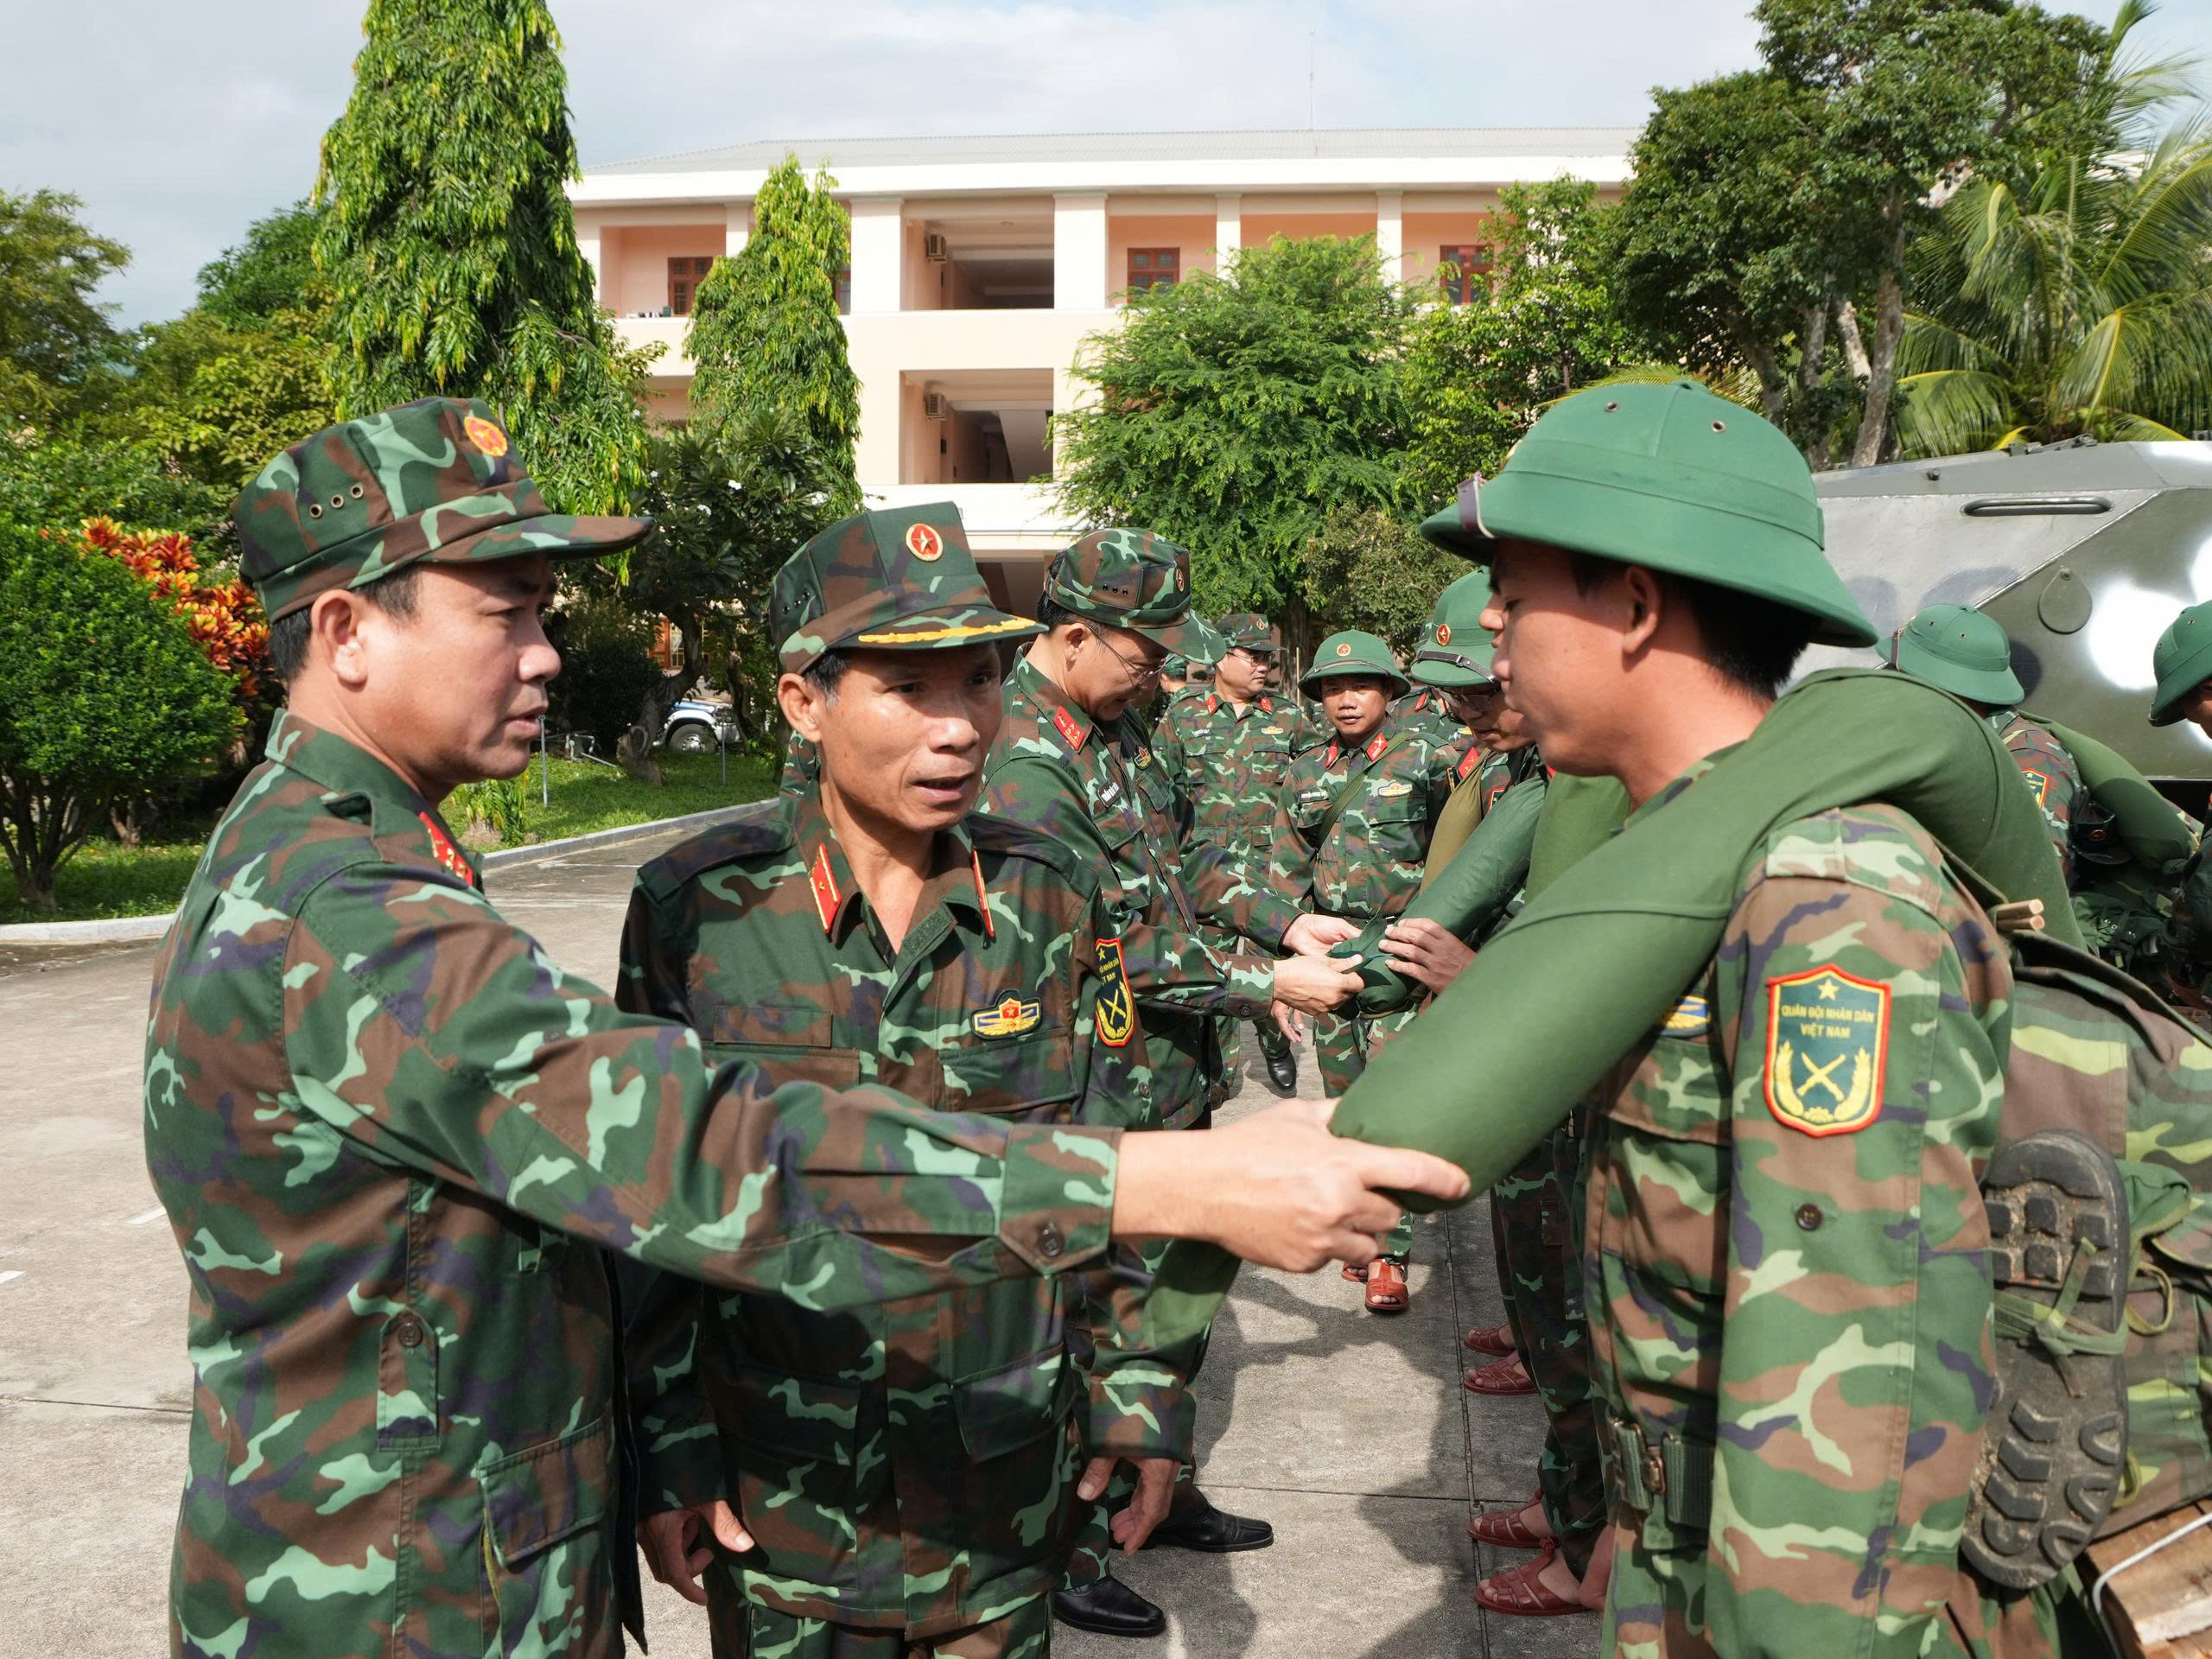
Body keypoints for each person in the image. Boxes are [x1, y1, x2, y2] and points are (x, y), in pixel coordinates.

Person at [140, 399, 1469, 1659]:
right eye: (508, 611)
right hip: (400, 1601)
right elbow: (691, 1147)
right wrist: (1176, 1178)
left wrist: (1130, 1379)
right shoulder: (342, 910)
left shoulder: (368, 861)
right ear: (347, 631)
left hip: (634, 1543)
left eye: (545, 610)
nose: (547, 650)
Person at [1398, 379, 2042, 1649]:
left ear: (1636, 606)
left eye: (1518, 593)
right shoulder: (1694, 853)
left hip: (1780, 1592)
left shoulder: (1826, 904)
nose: (1494, 626)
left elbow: (1857, 1390)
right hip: (1677, 1550)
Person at [617, 504, 1192, 1658]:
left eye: (979, 683)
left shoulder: (1048, 895)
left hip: (1003, 1496)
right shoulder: (700, 912)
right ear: (803, 701)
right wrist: (666, 1457)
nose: (959, 731)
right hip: (783, 1509)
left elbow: (1118, 1167)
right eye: (909, 690)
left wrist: (1138, 1396)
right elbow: (644, 1215)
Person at [981, 530, 1363, 1638]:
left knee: (1177, 1306)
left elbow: (1182, 861)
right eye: (1144, 652)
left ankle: (1162, 1482)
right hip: (1091, 1085)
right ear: (1071, 634)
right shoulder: (1022, 759)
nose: (1162, 672)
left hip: (1167, 1070)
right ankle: (1067, 1544)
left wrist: (1274, 915)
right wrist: (1267, 981)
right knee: (1100, 1321)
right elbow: (1105, 940)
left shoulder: (1126, 723)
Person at [1268, 630, 1457, 1313]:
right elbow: (1285, 871)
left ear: (1388, 692)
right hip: (1331, 953)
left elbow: (1456, 856)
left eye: (1361, 686)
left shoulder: (1429, 760)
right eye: (1332, 688)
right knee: (1345, 1106)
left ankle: (1390, 1253)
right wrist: (1286, 964)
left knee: (1394, 1107)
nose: (1346, 700)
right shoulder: (1303, 772)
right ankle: (1363, 1228)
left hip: (1402, 951)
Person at [1152, 613, 1319, 1096]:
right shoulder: (1183, 714)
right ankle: (1220, 1073)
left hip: (1271, 875)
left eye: (1268, 657)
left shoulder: (1288, 718)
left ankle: (1273, 1043)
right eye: (1253, 656)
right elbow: (1160, 792)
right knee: (1217, 973)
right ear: (1221, 657)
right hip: (1206, 877)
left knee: (1274, 970)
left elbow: (1317, 781)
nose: (1263, 666)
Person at [1881, 605, 2081, 881]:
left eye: (1904, 676)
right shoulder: (1941, 742)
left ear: (1941, 686)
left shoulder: (2028, 758)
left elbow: (2034, 884)